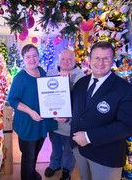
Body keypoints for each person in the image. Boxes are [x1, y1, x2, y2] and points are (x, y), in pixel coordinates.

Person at [70, 41, 132, 180]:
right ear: (89, 60)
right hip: (80, 150)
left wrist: (89, 137)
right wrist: (65, 117)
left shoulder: (125, 89)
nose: (100, 62)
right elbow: (77, 111)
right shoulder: (81, 83)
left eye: (106, 58)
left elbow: (127, 126)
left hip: (106, 155)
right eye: (96, 58)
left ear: (113, 61)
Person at [8, 44, 57, 180]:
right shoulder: (20, 78)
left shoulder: (41, 71)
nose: (32, 59)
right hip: (27, 123)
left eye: (34, 55)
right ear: (23, 58)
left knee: (35, 153)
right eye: (28, 57)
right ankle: (28, 176)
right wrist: (30, 111)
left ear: (38, 57)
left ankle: (32, 172)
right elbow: (12, 100)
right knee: (28, 157)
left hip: (41, 122)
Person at [44, 50, 85, 180]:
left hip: (70, 124)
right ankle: (54, 165)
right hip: (54, 122)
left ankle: (67, 170)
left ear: (75, 61)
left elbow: (81, 102)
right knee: (55, 145)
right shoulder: (50, 74)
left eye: (69, 59)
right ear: (58, 59)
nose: (66, 62)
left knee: (69, 150)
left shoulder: (81, 77)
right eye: (63, 59)